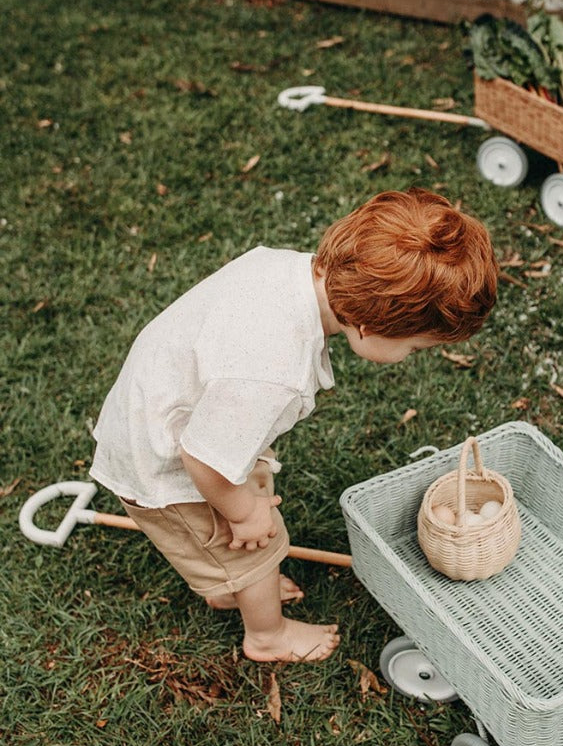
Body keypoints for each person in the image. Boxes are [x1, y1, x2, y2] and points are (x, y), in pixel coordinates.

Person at [90, 187, 498, 663]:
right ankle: (267, 636)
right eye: (415, 347)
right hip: (166, 461)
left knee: (242, 526)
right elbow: (202, 457)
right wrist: (243, 513)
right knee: (257, 544)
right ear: (368, 326)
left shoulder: (292, 270)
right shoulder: (270, 369)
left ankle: (231, 585)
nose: (412, 357)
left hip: (170, 411)